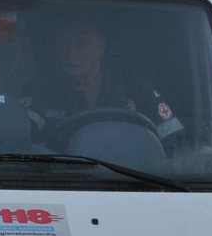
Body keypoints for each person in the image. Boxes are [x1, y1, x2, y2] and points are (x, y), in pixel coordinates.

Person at [26, 13, 184, 146]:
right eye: (64, 45)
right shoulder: (41, 92)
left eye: (81, 44)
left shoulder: (137, 91)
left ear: (101, 46)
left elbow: (177, 148)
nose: (71, 54)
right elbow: (22, 142)